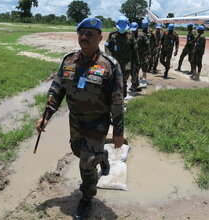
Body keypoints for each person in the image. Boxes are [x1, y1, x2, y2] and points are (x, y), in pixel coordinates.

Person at [35, 17, 125, 220]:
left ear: (100, 38)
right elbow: (56, 91)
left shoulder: (110, 65)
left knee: (86, 162)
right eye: (81, 33)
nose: (84, 37)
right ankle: (102, 156)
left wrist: (118, 131)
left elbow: (117, 102)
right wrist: (46, 117)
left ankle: (86, 197)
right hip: (75, 120)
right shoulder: (68, 61)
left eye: (90, 34)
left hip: (98, 122)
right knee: (78, 151)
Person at [105, 16, 139, 96]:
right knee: (114, 81)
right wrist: (109, 57)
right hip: (114, 63)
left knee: (123, 82)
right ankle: (114, 98)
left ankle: (122, 99)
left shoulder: (130, 36)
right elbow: (107, 46)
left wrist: (136, 62)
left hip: (126, 64)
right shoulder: (112, 35)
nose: (122, 30)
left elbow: (135, 50)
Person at [131, 19, 151, 84]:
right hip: (134, 55)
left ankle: (143, 78)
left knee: (144, 66)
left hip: (142, 54)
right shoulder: (130, 35)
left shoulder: (141, 35)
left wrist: (148, 53)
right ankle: (135, 81)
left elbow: (148, 44)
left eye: (134, 30)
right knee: (135, 69)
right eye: (132, 30)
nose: (133, 31)